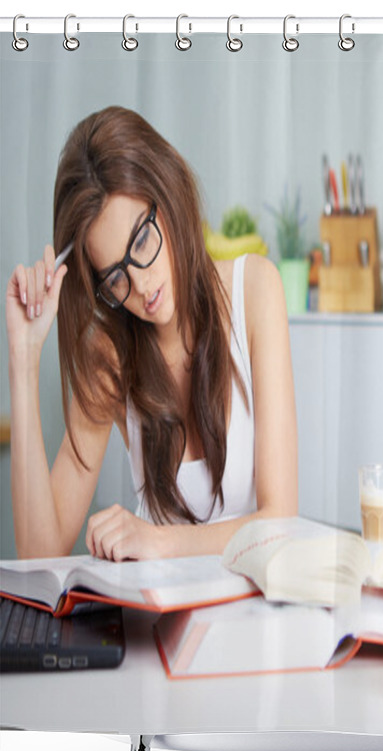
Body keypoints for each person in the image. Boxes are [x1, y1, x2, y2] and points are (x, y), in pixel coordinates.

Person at [5, 106, 298, 561]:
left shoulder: (255, 290)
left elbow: (279, 522)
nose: (140, 286)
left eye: (141, 242)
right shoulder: (111, 353)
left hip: (252, 622)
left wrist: (156, 540)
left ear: (169, 189)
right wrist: (22, 359)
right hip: (159, 625)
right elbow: (40, 551)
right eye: (115, 276)